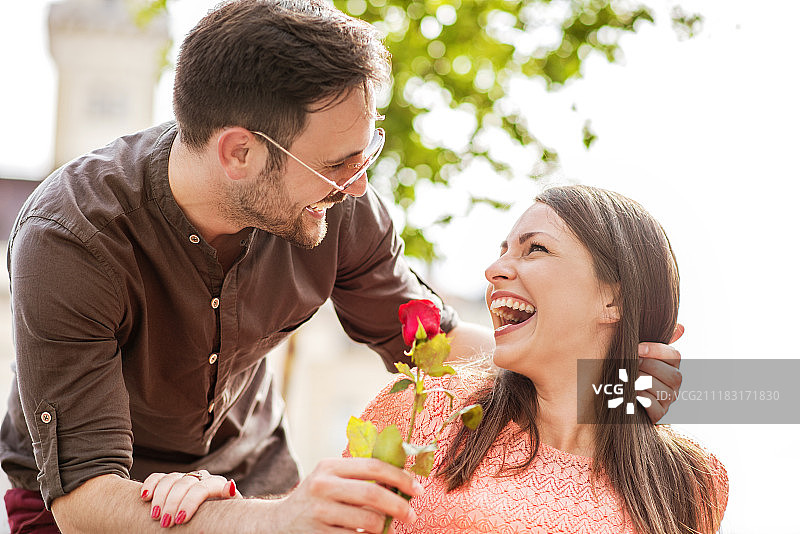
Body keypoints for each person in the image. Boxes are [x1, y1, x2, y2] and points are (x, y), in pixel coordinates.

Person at [0, 0, 683, 531]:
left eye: (366, 154)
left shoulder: (339, 209)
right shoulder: (72, 239)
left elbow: (429, 345)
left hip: (251, 483)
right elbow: (85, 503)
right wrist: (283, 519)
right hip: (96, 509)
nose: (357, 185)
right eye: (335, 164)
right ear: (240, 153)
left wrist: (623, 384)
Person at [347, 185, 728, 533]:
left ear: (615, 300)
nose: (494, 271)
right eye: (503, 251)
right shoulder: (425, 409)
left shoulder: (691, 480)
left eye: (535, 249)